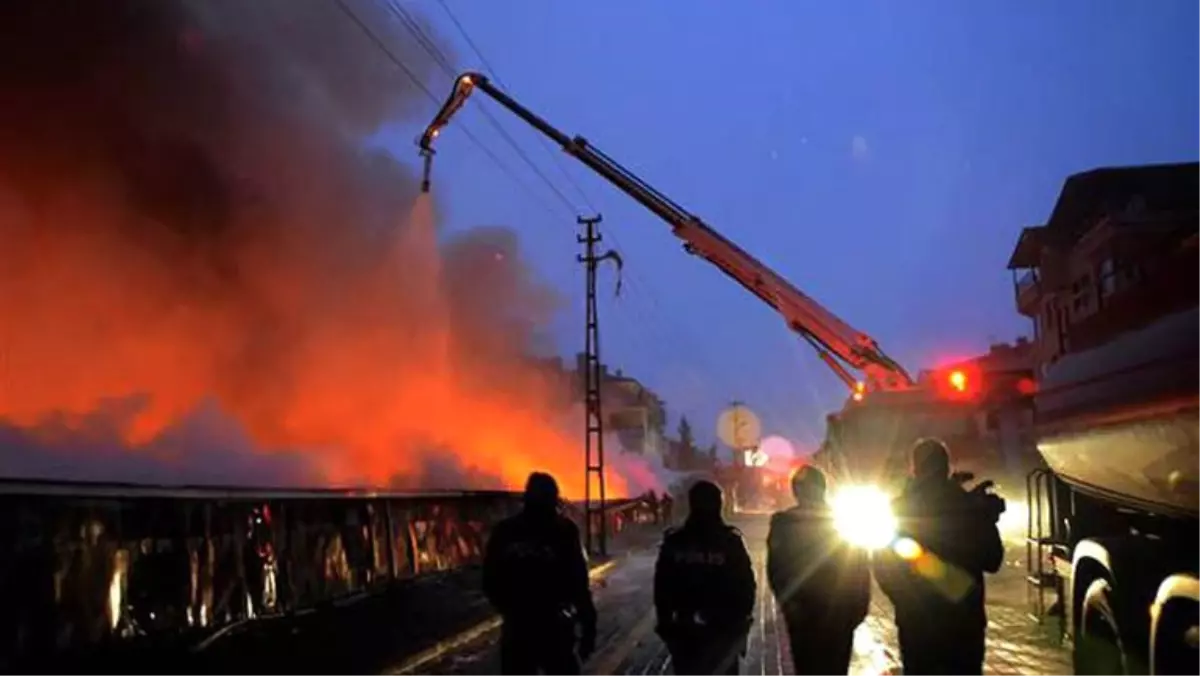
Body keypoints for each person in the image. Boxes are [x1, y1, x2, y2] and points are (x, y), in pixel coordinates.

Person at [874, 438, 1005, 676]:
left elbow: (883, 569)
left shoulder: (898, 510)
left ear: (914, 469)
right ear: (946, 467)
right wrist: (986, 518)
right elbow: (993, 560)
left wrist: (907, 604)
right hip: (964, 625)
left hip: (917, 627)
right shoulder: (970, 508)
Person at [483, 472, 597, 676]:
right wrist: (588, 626)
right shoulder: (564, 531)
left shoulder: (505, 531)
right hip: (555, 627)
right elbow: (579, 583)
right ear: (554, 499)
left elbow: (490, 580)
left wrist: (511, 609)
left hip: (518, 628)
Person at [766, 466, 871, 675]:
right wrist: (856, 612)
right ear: (823, 489)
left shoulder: (784, 523)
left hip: (803, 616)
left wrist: (789, 606)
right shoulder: (843, 522)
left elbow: (776, 570)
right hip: (839, 615)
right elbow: (860, 571)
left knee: (806, 668)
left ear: (795, 491)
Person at [654, 480, 756, 676]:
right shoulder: (731, 542)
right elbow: (746, 587)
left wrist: (666, 626)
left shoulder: (676, 542)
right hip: (723, 632)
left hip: (686, 633)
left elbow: (662, 588)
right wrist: (741, 625)